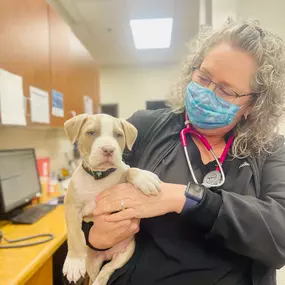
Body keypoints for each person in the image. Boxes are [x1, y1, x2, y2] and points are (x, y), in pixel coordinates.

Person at [82, 20, 285, 285]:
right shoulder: (144, 127)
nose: (206, 93)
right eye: (203, 77)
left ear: (253, 104)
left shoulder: (270, 148)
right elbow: (90, 195)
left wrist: (186, 198)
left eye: (226, 90)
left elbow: (279, 236)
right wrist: (95, 238)